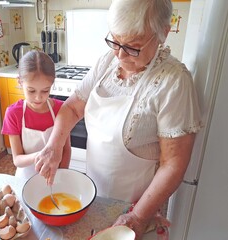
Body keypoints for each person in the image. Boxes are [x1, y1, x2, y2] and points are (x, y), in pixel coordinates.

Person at [34, 0, 202, 239]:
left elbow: (173, 164)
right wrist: (53, 146)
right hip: (93, 196)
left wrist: (138, 217)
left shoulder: (173, 82)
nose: (120, 54)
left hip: (138, 210)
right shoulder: (107, 62)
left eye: (133, 47)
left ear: (163, 34)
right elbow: (72, 108)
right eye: (115, 41)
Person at [1, 50, 71, 183]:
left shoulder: (61, 110)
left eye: (45, 91)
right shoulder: (13, 114)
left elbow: (66, 149)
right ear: (20, 82)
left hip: (56, 176)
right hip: (26, 180)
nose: (38, 97)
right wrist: (41, 156)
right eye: (31, 90)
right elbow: (17, 159)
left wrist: (61, 176)